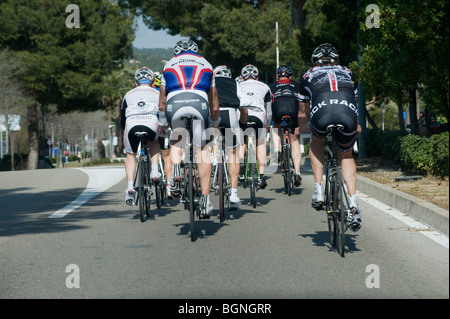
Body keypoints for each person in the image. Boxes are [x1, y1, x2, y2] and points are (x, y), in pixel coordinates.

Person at [298, 43, 362, 231]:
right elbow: (354, 101)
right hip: (347, 111)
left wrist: (303, 129)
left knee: (316, 141)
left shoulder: (307, 75)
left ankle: (318, 191)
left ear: (314, 61)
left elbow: (303, 112)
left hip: (322, 111)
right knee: (347, 155)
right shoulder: (348, 72)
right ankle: (353, 205)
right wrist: (356, 125)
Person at [158, 39, 220, 217]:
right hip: (199, 102)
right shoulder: (207, 64)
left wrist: (163, 123)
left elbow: (162, 103)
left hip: (174, 104)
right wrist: (214, 122)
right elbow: (214, 104)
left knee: (177, 140)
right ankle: (206, 200)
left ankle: (176, 174)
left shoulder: (168, 64)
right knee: (202, 149)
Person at [121, 66, 161, 205]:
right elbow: (162, 112)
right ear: (152, 82)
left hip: (131, 124)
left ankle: (130, 186)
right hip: (151, 123)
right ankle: (155, 172)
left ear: (136, 83)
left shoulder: (128, 94)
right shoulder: (157, 93)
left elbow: (122, 118)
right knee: (154, 142)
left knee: (131, 155)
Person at [209, 65, 248, 210]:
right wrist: (243, 123)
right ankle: (233, 193)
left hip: (213, 113)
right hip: (230, 114)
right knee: (232, 154)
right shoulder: (234, 83)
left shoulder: (210, 82)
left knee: (204, 146)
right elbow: (243, 107)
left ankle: (213, 160)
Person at [238, 64, 273, 189]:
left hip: (243, 115)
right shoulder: (265, 87)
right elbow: (269, 111)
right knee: (261, 142)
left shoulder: (238, 86)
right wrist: (267, 125)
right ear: (257, 77)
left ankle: (241, 164)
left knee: (241, 139)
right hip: (259, 116)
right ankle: (261, 175)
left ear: (242, 77)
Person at [269, 65, 303, 187]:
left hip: (278, 110)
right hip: (294, 111)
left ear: (278, 76)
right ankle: (297, 172)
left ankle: (277, 150)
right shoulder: (297, 85)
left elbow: (268, 102)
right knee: (295, 140)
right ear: (291, 76)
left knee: (276, 125)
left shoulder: (272, 86)